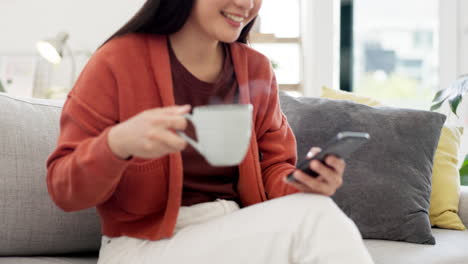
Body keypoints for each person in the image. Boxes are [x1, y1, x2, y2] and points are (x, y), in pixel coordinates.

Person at [46, 0, 374, 263]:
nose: (246, 4)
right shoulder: (117, 61)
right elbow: (64, 189)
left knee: (313, 210)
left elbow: (273, 168)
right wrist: (117, 144)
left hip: (237, 231)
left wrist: (304, 183)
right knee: (314, 220)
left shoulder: (255, 68)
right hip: (143, 246)